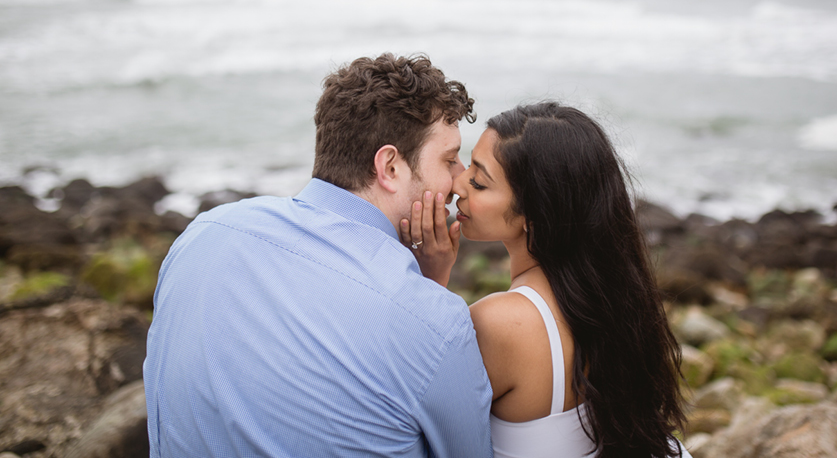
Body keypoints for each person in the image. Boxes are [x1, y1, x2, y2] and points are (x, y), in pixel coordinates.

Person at [143, 53, 494, 457]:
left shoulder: (203, 234)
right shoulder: (435, 324)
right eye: (449, 159)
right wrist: (431, 291)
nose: (459, 178)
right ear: (390, 167)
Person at [402, 102, 691, 458]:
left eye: (479, 181)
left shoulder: (502, 323)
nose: (458, 183)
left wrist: (429, 282)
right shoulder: (615, 302)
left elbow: (414, 425)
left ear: (536, 215)